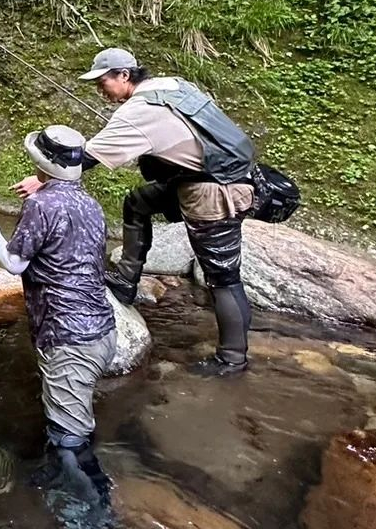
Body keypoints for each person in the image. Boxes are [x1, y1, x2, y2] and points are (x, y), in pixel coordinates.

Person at [14, 47, 255, 377]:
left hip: (213, 191)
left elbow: (83, 160)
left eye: (103, 82)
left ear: (124, 76)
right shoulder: (173, 85)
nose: (100, 90)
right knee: (137, 202)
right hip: (204, 177)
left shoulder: (138, 112)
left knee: (223, 278)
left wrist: (41, 180)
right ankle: (127, 280)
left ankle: (232, 359)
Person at [0, 124, 116, 506]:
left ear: (43, 165)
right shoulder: (89, 202)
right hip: (101, 330)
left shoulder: (41, 205)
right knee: (70, 417)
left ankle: (97, 512)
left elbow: (14, 263)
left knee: (71, 436)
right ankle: (56, 471)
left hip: (68, 337)